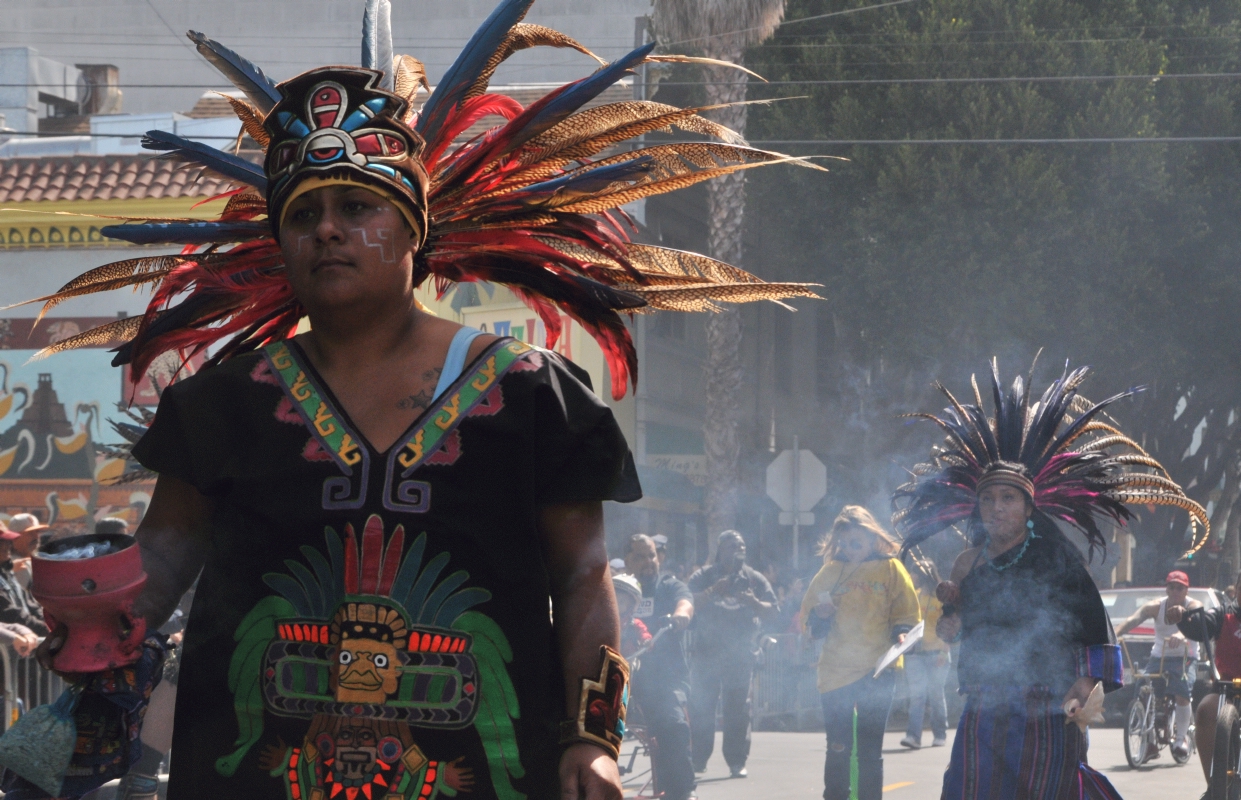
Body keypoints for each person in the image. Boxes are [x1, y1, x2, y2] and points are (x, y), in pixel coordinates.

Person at [26, 2, 816, 797]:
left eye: (356, 207)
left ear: (413, 232)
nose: (326, 230)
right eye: (303, 214)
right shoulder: (223, 402)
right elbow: (166, 551)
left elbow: (581, 574)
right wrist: (102, 608)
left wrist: (592, 737)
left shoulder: (531, 394)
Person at [893, 363, 1210, 800]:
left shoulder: (1057, 559)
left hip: (1046, 706)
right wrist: (951, 616)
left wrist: (1083, 687)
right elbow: (955, 630)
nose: (995, 507)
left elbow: (1092, 626)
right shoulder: (967, 562)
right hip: (984, 705)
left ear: (1028, 508)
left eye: (1007, 498)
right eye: (987, 499)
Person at [798, 506, 920, 800]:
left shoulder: (891, 569)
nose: (849, 550)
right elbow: (808, 624)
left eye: (856, 543)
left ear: (871, 538)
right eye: (843, 544)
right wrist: (821, 616)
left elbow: (905, 612)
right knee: (838, 747)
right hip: (836, 671)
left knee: (869, 752)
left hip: (877, 670)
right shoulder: (829, 572)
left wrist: (902, 633)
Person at [686, 530, 777, 778]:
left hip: (740, 657)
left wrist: (754, 602)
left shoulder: (754, 578)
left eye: (742, 546)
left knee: (738, 711)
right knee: (701, 708)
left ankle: (737, 762)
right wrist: (713, 590)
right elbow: (686, 604)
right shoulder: (704, 576)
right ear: (719, 550)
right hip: (706, 654)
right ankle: (697, 760)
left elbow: (774, 611)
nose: (738, 551)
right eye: (731, 547)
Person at [624, 534, 695, 800]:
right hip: (620, 677)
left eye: (651, 555)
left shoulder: (669, 585)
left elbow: (685, 602)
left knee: (674, 726)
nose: (648, 561)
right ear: (627, 560)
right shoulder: (617, 587)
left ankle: (682, 791)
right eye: (640, 556)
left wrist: (680, 617)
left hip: (664, 680)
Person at [1114, 569, 1200, 759]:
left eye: (1180, 588)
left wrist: (1181, 634)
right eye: (1172, 587)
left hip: (1185, 656)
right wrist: (1114, 635)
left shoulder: (1193, 605)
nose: (1176, 591)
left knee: (1181, 690)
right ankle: (1150, 741)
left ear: (1186, 591)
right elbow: (1132, 620)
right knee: (1142, 689)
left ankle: (1180, 739)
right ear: (1167, 589)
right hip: (1159, 656)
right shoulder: (1155, 607)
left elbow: (1196, 620)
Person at [1169, 569, 1241, 785]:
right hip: (1226, 689)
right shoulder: (1223, 613)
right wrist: (1182, 618)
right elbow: (1201, 627)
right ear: (1237, 590)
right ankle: (1214, 785)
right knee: (1204, 710)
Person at [900, 558, 950, 750]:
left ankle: (940, 734)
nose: (911, 576)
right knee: (917, 695)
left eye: (914, 572)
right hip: (916, 654)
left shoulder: (943, 597)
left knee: (936, 694)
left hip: (937, 652)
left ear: (923, 575)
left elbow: (949, 625)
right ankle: (913, 737)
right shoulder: (914, 595)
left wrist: (944, 652)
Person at [0, 523, 47, 636]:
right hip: (16, 643)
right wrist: (46, 629)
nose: (8, 546)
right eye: (2, 542)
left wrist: (49, 624)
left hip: (28, 641)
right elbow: (10, 613)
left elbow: (30, 604)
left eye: (9, 541)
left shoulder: (6, 572)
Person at [4, 513, 47, 590]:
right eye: (30, 533)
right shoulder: (15, 565)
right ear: (15, 538)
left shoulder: (34, 559)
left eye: (37, 531)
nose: (36, 537)